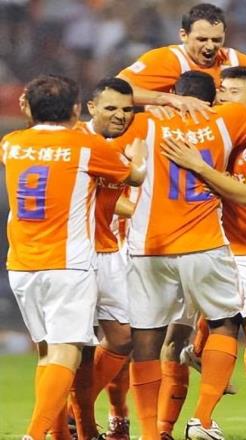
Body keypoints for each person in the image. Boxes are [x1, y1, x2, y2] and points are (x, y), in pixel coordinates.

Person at [127, 70, 246, 440]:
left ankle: (150, 432)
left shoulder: (145, 122)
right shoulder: (228, 118)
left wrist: (159, 101)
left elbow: (109, 109)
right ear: (213, 98)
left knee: (149, 337)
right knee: (225, 324)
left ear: (175, 93)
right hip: (203, 242)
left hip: (148, 246)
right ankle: (202, 420)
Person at [0, 74, 146, 440]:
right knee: (67, 352)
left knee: (48, 353)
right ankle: (35, 435)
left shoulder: (11, 144)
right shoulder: (86, 146)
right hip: (68, 263)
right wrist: (139, 159)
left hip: (22, 264)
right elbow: (134, 177)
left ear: (27, 107)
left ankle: (63, 433)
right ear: (78, 108)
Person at [69, 77, 153, 440]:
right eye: (111, 108)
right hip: (77, 253)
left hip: (111, 250)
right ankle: (70, 421)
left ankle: (78, 413)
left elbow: (106, 196)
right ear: (91, 108)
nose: (121, 115)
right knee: (77, 345)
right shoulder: (78, 141)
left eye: (127, 109)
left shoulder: (117, 143)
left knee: (121, 338)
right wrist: (138, 163)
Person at [117, 3, 246, 123]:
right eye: (202, 39)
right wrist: (165, 99)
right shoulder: (166, 59)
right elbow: (115, 90)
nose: (210, 46)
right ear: (183, 35)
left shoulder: (235, 61)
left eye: (217, 40)